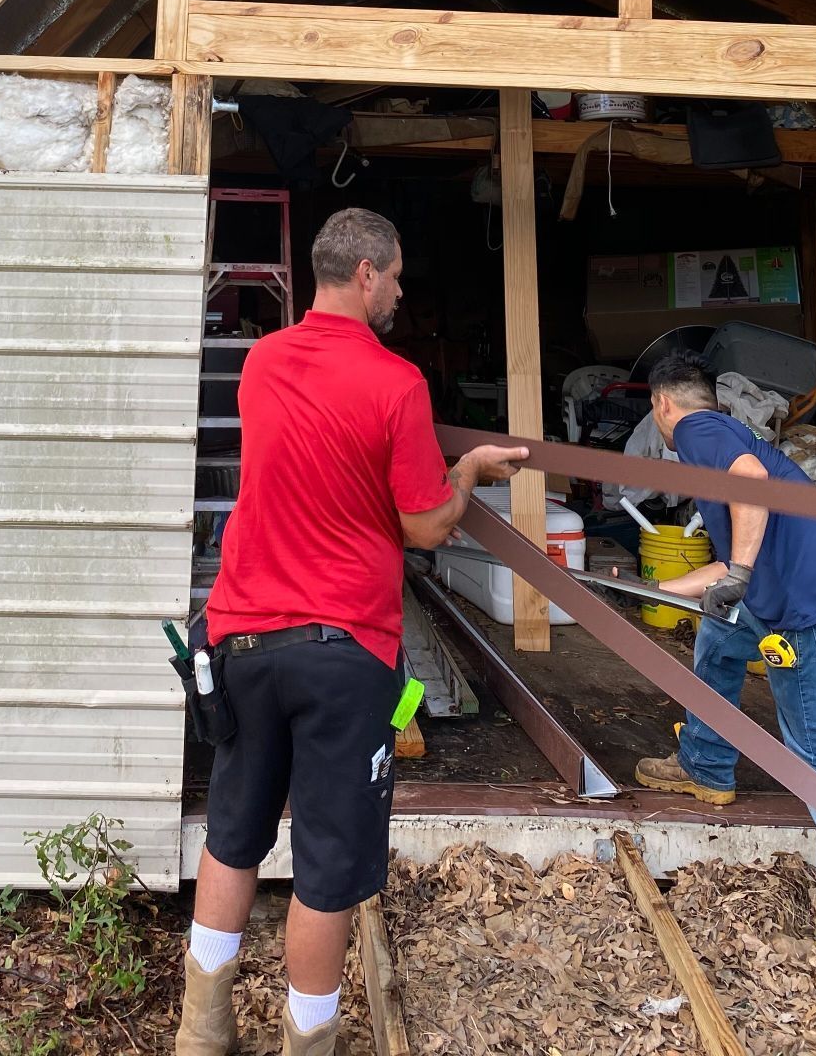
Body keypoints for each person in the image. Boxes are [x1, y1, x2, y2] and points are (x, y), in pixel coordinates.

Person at [177, 207, 529, 1055]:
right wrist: (469, 474)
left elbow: (314, 460)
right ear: (366, 274)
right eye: (398, 276)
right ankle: (309, 1043)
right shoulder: (395, 382)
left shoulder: (261, 363)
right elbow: (422, 524)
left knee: (232, 838)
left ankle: (201, 1031)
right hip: (342, 651)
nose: (402, 292)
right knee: (327, 875)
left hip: (242, 641)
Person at [634, 354, 816, 970]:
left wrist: (742, 570)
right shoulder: (725, 440)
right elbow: (728, 566)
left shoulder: (698, 432)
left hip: (812, 613)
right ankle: (707, 764)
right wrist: (660, 593)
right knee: (719, 639)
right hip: (786, 592)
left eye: (654, 409)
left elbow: (750, 501)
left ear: (664, 404)